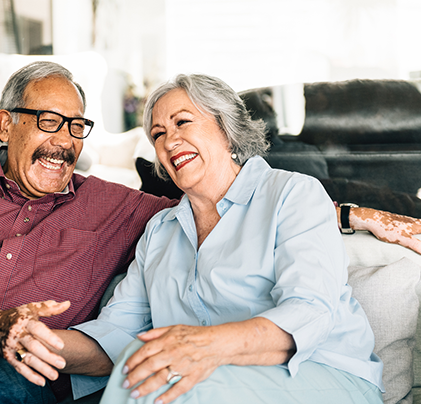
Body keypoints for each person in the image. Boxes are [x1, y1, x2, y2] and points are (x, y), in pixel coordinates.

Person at [0, 62, 421, 404]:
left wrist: (354, 213)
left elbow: (307, 302)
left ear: (226, 129)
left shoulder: (277, 198)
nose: (63, 140)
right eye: (157, 132)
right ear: (6, 124)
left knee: (146, 381)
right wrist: (11, 330)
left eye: (75, 126)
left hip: (303, 372)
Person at [50, 73, 394, 404]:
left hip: (323, 375)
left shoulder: (292, 194)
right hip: (208, 379)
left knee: (165, 384)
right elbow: (116, 335)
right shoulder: (159, 231)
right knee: (148, 373)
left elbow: (309, 312)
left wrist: (203, 345)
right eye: (157, 134)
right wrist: (37, 342)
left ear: (227, 130)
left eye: (183, 122)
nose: (169, 141)